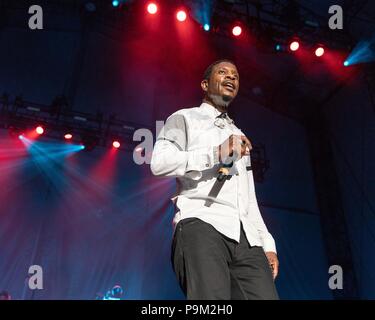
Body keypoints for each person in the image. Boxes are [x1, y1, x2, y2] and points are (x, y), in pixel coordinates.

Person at [150, 59, 279, 300]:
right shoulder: (183, 118)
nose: (231, 77)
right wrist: (215, 154)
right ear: (205, 84)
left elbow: (247, 199)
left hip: (246, 238)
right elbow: (160, 162)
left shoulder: (240, 135)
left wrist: (267, 244)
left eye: (236, 75)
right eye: (223, 72)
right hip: (201, 224)